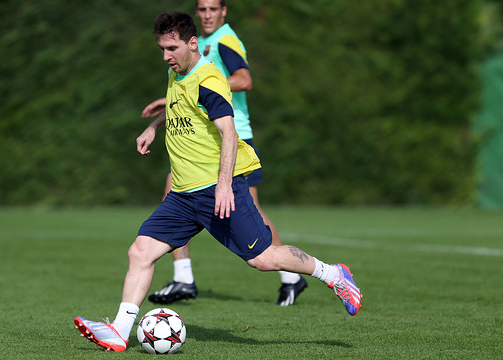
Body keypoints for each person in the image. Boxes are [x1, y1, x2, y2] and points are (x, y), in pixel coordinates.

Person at [74, 11, 361, 353]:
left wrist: (224, 185)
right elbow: (182, 107)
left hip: (216, 190)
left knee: (264, 259)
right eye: (162, 48)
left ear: (192, 44)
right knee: (140, 251)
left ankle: (334, 274)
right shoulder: (176, 73)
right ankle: (119, 331)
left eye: (172, 47)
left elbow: (228, 132)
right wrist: (153, 127)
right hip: (182, 196)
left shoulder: (209, 79)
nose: (166, 55)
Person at [142, 0, 308, 307]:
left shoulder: (225, 40)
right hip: (207, 135)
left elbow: (244, 80)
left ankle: (289, 272)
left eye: (212, 9)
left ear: (224, 11)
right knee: (175, 189)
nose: (206, 15)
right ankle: (185, 277)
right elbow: (190, 94)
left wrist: (207, 88)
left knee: (251, 213)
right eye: (201, 9)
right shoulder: (199, 44)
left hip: (232, 135)